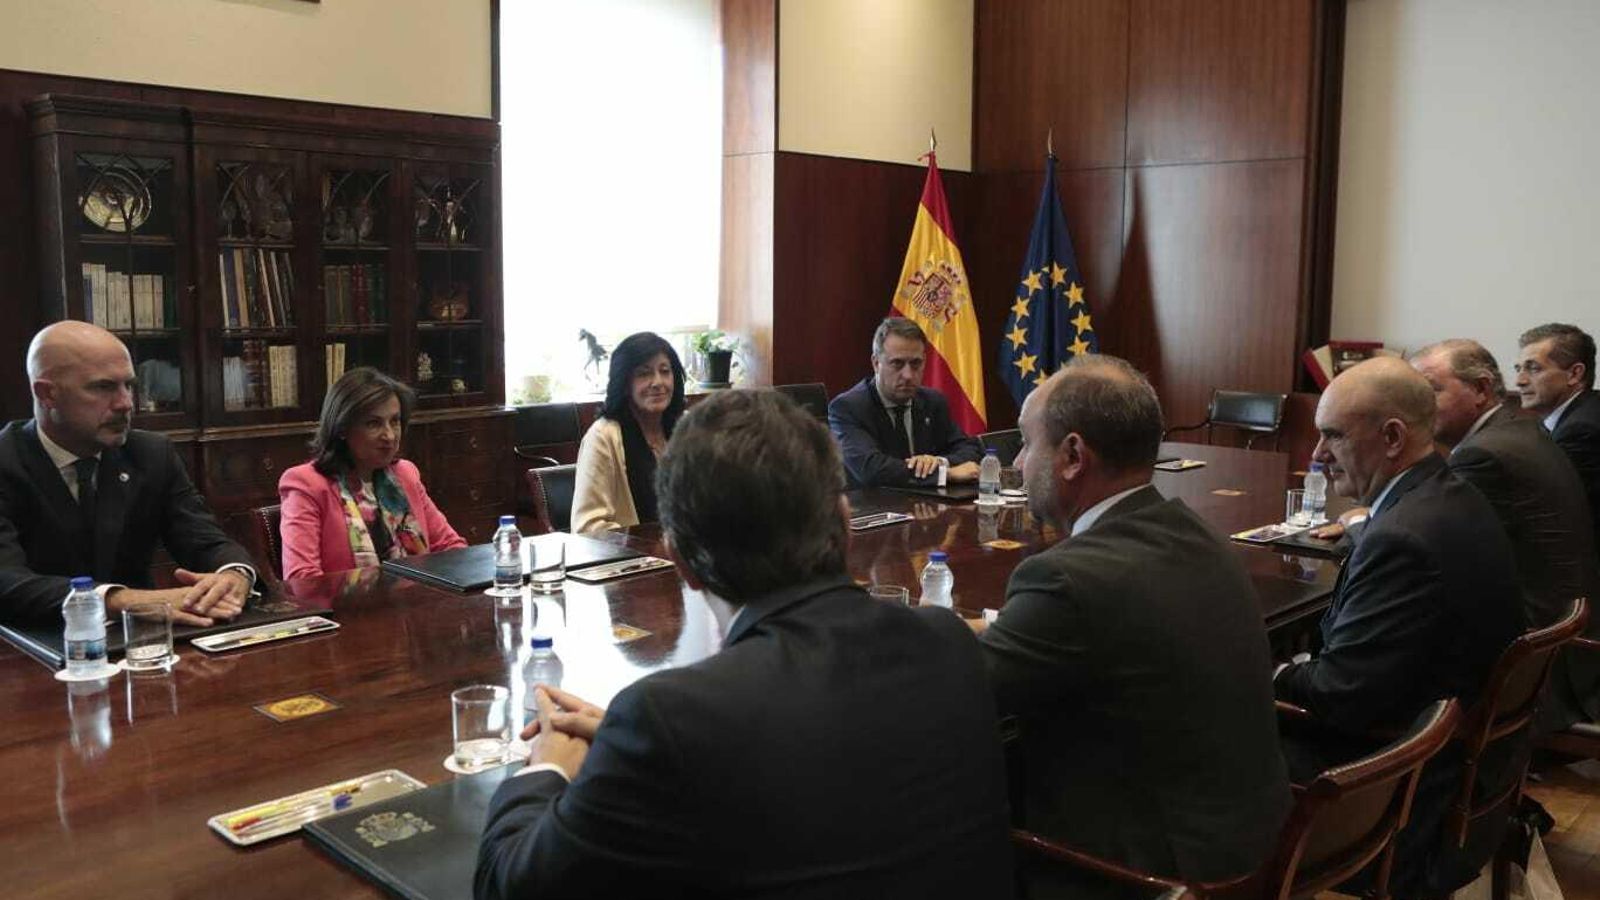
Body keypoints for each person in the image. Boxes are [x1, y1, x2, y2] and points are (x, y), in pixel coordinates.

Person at [475, 390, 1012, 900]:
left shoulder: (673, 718)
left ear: (680, 562)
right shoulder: (950, 645)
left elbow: (513, 886)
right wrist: (625, 743)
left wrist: (546, 767)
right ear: (847, 528)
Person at [970, 355, 1290, 894]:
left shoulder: (1066, 580)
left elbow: (965, 695)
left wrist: (923, 634)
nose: (1019, 463)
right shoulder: (1198, 536)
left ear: (1073, 455)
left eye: (1026, 444)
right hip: (1249, 843)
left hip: (1151, 875)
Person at [1275, 356, 1522, 895]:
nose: (1317, 455)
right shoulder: (1449, 495)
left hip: (1397, 792)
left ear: (1392, 438)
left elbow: (1341, 697)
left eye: (1331, 436)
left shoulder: (1405, 538)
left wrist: (1274, 670)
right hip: (1455, 765)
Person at [0, 321, 255, 626]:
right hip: (29, 649)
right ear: (47, 393)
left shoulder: (150, 454)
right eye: (103, 387)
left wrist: (234, 574)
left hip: (145, 644)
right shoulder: (7, 460)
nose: (125, 403)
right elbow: (8, 581)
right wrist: (119, 601)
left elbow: (205, 541)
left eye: (129, 385)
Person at [277, 367, 464, 580]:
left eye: (395, 421)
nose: (390, 435)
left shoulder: (405, 474)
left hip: (418, 605)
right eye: (374, 423)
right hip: (348, 610)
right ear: (342, 428)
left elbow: (452, 548)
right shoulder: (306, 484)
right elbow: (303, 579)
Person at [828, 317, 983, 488]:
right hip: (874, 507)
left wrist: (939, 462)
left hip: (927, 507)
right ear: (876, 363)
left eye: (916, 364)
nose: (908, 375)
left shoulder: (932, 401)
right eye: (897, 364)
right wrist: (944, 475)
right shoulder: (848, 408)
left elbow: (971, 449)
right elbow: (871, 469)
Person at [571, 332, 686, 534]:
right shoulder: (603, 436)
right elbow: (588, 527)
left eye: (665, 371)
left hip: (690, 557)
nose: (658, 382)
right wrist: (652, 547)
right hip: (635, 561)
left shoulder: (687, 428)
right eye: (644, 373)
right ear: (624, 383)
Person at [1516, 323, 1600, 545]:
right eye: (1519, 369)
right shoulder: (1582, 412)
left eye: (1533, 368)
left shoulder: (1581, 430)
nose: (1520, 381)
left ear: (1574, 374)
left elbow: (1558, 513)